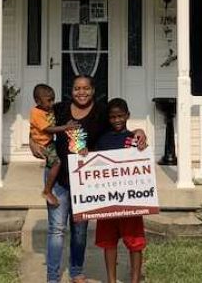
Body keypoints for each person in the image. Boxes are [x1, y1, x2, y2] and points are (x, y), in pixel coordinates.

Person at [45, 75, 148, 283]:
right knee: (56, 229)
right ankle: (52, 277)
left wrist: (139, 130)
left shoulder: (101, 112)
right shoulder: (59, 109)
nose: (81, 92)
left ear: (93, 90)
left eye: (85, 88)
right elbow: (39, 126)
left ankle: (76, 271)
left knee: (80, 231)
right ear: (71, 90)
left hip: (86, 182)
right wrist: (32, 142)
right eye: (76, 88)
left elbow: (119, 131)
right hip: (59, 177)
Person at [93, 98, 147, 283]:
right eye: (113, 117)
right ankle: (111, 280)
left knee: (135, 243)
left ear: (128, 116)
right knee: (108, 243)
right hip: (107, 200)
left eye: (120, 116)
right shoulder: (102, 140)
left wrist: (141, 137)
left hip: (130, 200)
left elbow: (142, 161)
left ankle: (135, 280)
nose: (116, 120)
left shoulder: (134, 139)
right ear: (108, 118)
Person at [27, 84, 78, 207]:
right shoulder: (36, 112)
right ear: (38, 101)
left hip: (49, 142)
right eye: (48, 101)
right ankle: (47, 191)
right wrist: (66, 127)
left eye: (53, 100)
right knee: (56, 163)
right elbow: (48, 129)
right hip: (43, 144)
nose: (51, 103)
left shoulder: (49, 109)